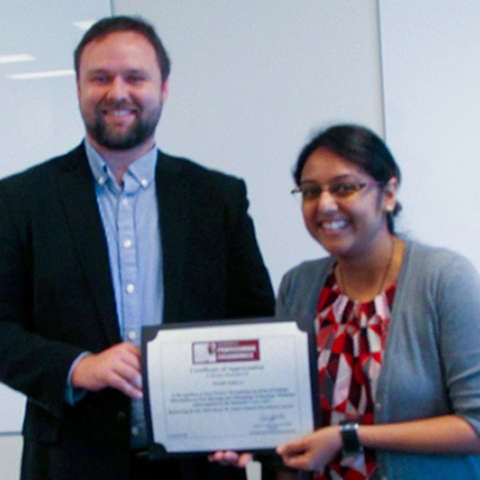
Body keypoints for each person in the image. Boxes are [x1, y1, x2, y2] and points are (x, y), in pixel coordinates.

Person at [0, 15, 274, 480]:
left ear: (164, 88)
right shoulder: (20, 200)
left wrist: (244, 425)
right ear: (79, 87)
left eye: (135, 77)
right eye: (100, 78)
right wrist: (76, 366)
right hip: (70, 464)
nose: (117, 92)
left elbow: (256, 321)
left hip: (198, 464)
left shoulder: (217, 198)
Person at [272, 124, 480, 479]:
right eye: (310, 192)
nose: (324, 204)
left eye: (344, 188)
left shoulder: (444, 279)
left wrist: (349, 438)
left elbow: (475, 424)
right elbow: (282, 412)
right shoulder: (298, 285)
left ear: (388, 193)